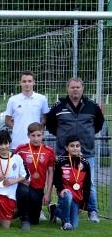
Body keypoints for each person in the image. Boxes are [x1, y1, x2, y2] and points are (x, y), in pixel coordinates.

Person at [46, 77, 104, 223]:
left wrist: (87, 136)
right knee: (63, 183)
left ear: (82, 88)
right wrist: (63, 138)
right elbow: (51, 126)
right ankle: (62, 211)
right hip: (63, 153)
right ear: (67, 88)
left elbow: (98, 124)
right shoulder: (58, 106)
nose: (75, 90)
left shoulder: (92, 106)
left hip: (86, 152)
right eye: (72, 87)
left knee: (89, 184)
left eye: (78, 87)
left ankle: (93, 212)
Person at [14, 122, 56, 230]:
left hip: (38, 188)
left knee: (35, 221)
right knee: (24, 193)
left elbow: (51, 172)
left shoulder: (49, 151)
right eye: (33, 136)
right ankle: (24, 219)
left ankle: (20, 212)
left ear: (43, 135)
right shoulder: (21, 150)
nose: (36, 139)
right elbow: (14, 168)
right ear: (28, 135)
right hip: (25, 185)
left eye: (39, 135)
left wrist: (47, 193)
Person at [51, 135, 91, 230]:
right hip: (65, 195)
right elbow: (56, 179)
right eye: (72, 146)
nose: (75, 148)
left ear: (80, 147)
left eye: (77, 146)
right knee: (68, 196)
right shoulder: (61, 161)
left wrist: (83, 205)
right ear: (66, 148)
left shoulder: (85, 164)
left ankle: (54, 210)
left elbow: (87, 185)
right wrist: (61, 189)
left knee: (75, 225)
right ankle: (66, 223)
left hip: (77, 198)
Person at [5, 71, 49, 149]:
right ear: (20, 83)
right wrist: (18, 128)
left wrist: (36, 131)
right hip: (17, 143)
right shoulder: (13, 100)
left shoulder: (42, 99)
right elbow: (7, 121)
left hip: (35, 143)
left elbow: (45, 119)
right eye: (24, 81)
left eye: (29, 81)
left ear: (34, 82)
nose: (27, 84)